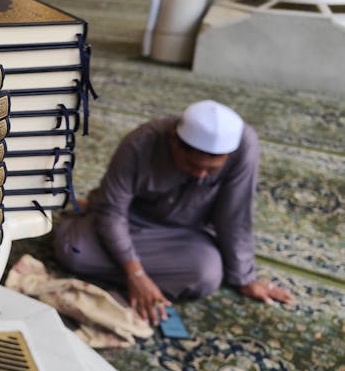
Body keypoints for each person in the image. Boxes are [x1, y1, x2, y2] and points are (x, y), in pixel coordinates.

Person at [53, 100, 294, 325]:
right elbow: (113, 211)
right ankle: (140, 272)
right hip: (129, 219)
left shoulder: (243, 147)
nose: (200, 175)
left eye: (210, 170)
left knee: (206, 274)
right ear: (173, 142)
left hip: (183, 235)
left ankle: (134, 274)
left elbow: (235, 215)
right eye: (192, 166)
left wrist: (245, 279)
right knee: (73, 250)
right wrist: (135, 274)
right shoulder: (141, 142)